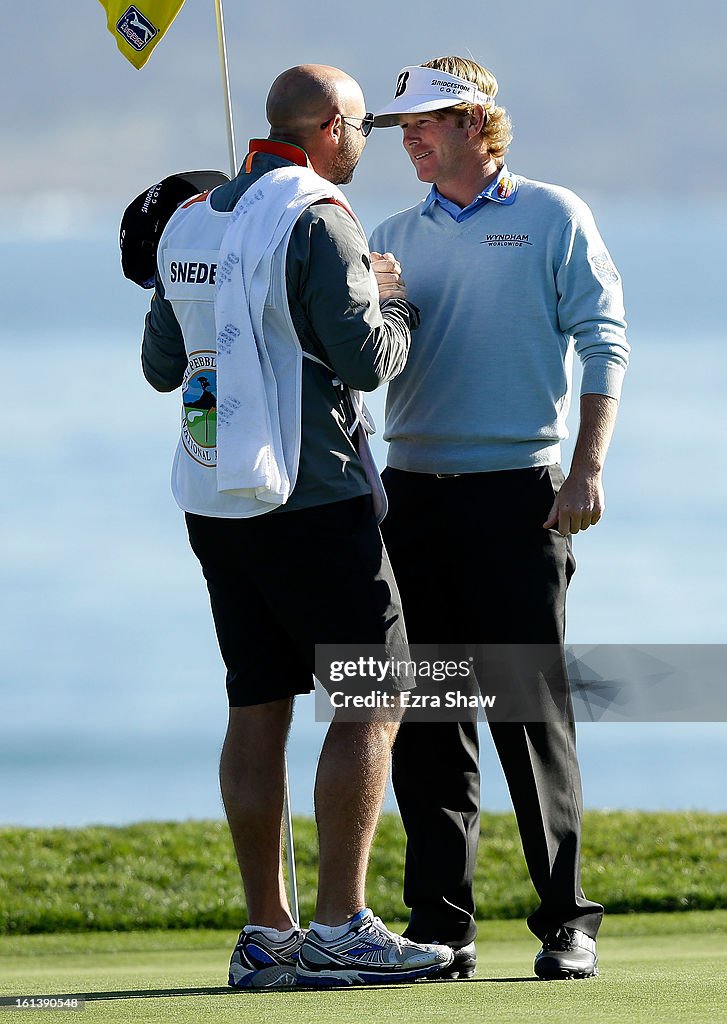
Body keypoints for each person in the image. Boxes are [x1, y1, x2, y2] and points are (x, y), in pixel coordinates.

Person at [141, 63, 452, 988]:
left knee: (256, 704)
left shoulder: (192, 216)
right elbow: (364, 358)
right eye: (359, 126)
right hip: (313, 497)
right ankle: (341, 925)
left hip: (215, 498)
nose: (364, 142)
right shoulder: (318, 215)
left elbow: (164, 365)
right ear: (324, 127)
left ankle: (264, 935)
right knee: (372, 697)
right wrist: (391, 296)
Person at [369, 56, 630, 980]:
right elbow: (370, 366)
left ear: (478, 122)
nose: (408, 137)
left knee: (529, 712)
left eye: (425, 121)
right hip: (409, 497)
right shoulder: (390, 234)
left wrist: (585, 470)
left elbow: (603, 340)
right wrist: (375, 298)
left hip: (517, 495)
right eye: (398, 126)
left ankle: (566, 920)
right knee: (430, 716)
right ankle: (441, 927)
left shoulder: (551, 215)